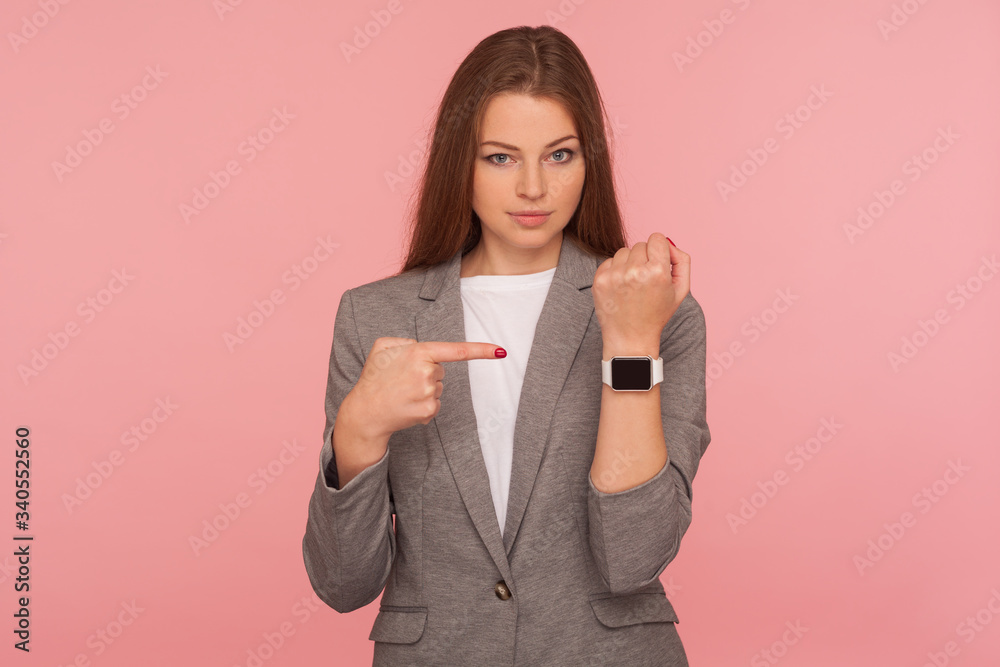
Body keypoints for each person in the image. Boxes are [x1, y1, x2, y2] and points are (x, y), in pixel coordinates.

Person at [301, 25, 711, 666]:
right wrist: (357, 432)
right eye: (500, 157)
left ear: (589, 161)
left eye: (559, 155)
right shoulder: (373, 316)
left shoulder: (658, 312)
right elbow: (342, 584)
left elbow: (632, 557)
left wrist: (630, 342)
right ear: (458, 163)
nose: (533, 188)